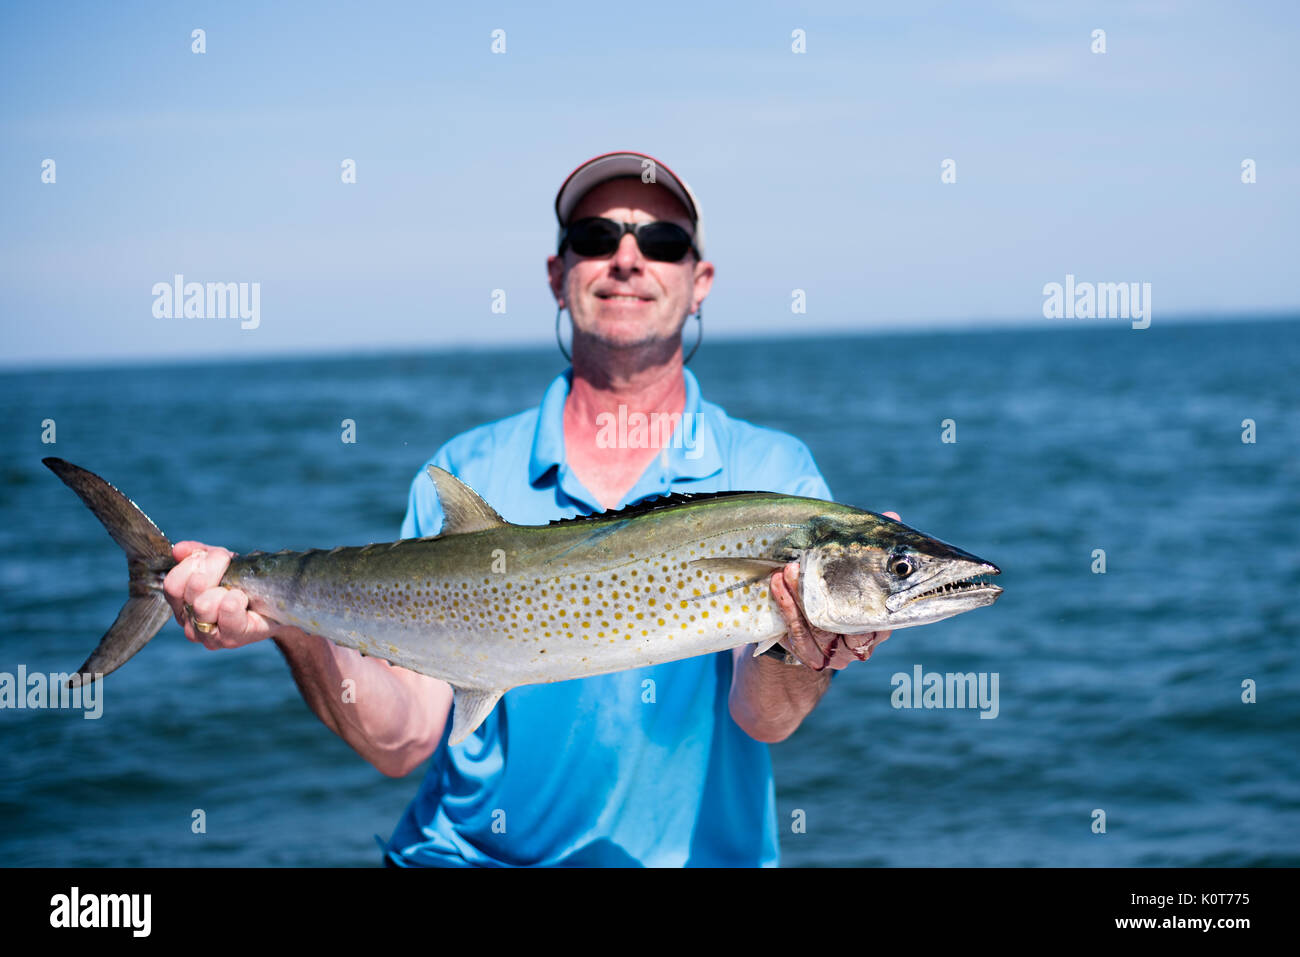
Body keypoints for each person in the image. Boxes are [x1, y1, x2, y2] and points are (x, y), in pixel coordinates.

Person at [163, 151, 901, 867]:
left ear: (700, 280)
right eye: (594, 238)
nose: (627, 258)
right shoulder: (465, 472)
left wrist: (810, 646)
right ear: (558, 275)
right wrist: (289, 622)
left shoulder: (774, 474)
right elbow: (405, 738)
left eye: (663, 241)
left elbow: (763, 716)